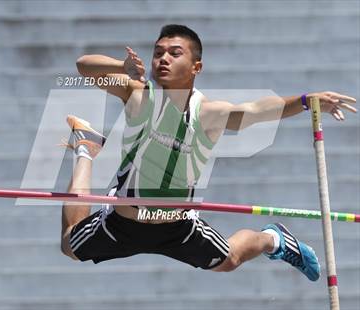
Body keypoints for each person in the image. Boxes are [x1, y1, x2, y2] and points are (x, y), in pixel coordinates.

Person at [60, 24, 356, 280]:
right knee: (68, 245)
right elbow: (84, 66)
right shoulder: (137, 94)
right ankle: (86, 148)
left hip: (177, 227)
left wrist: (305, 101)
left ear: (195, 67)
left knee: (229, 261)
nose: (163, 58)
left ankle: (273, 239)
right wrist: (118, 67)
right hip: (123, 224)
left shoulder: (207, 114)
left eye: (175, 53)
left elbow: (257, 110)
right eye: (158, 52)